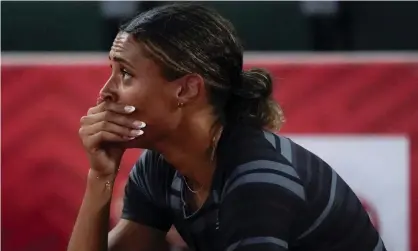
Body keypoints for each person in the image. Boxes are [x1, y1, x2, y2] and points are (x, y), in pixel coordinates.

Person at [68, 3, 386, 251]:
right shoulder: (161, 168)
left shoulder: (257, 180)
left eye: (125, 73)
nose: (105, 91)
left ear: (187, 89)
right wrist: (100, 177)